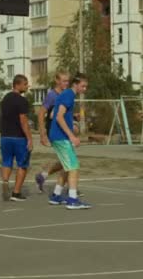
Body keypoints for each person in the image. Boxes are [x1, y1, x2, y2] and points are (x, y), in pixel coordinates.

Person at [47, 73, 91, 209]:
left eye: (86, 87)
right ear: (76, 84)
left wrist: (70, 117)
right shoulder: (69, 95)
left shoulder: (64, 95)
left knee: (67, 167)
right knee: (73, 167)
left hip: (58, 136)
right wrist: (72, 136)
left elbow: (52, 114)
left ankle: (56, 195)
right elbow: (59, 117)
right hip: (61, 137)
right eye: (83, 86)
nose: (84, 89)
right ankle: (72, 199)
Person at [0, 75, 34, 202]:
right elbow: (23, 121)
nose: (27, 86)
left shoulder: (5, 99)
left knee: (6, 161)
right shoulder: (22, 101)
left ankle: (5, 182)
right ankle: (16, 192)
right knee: (22, 165)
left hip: (5, 136)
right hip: (19, 137)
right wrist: (29, 138)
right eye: (25, 84)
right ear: (17, 85)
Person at [35, 70, 70, 193]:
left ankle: (43, 176)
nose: (66, 83)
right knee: (69, 160)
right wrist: (42, 133)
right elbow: (41, 113)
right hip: (54, 132)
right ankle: (68, 190)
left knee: (65, 161)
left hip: (64, 131)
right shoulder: (52, 95)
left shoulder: (66, 94)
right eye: (64, 81)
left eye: (67, 81)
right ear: (57, 80)